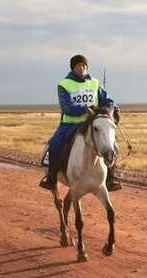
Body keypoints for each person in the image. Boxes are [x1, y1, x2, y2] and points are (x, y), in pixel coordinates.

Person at [39, 54, 122, 192]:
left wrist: (114, 106)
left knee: (112, 144)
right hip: (70, 123)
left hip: (92, 122)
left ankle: (110, 179)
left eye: (84, 66)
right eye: (78, 66)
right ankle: (51, 179)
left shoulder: (94, 83)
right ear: (73, 68)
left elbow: (105, 99)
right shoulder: (64, 84)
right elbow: (66, 107)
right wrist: (84, 109)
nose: (81, 68)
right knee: (54, 145)